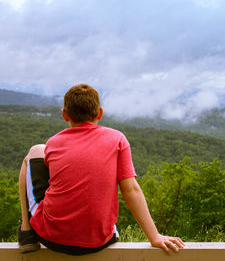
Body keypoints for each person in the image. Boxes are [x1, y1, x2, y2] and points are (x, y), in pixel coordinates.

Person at [17, 84, 184, 255]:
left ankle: (26, 231)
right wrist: (154, 236)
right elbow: (131, 189)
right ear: (100, 113)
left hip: (51, 238)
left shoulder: (53, 143)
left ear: (64, 115)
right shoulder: (117, 139)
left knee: (36, 150)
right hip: (99, 241)